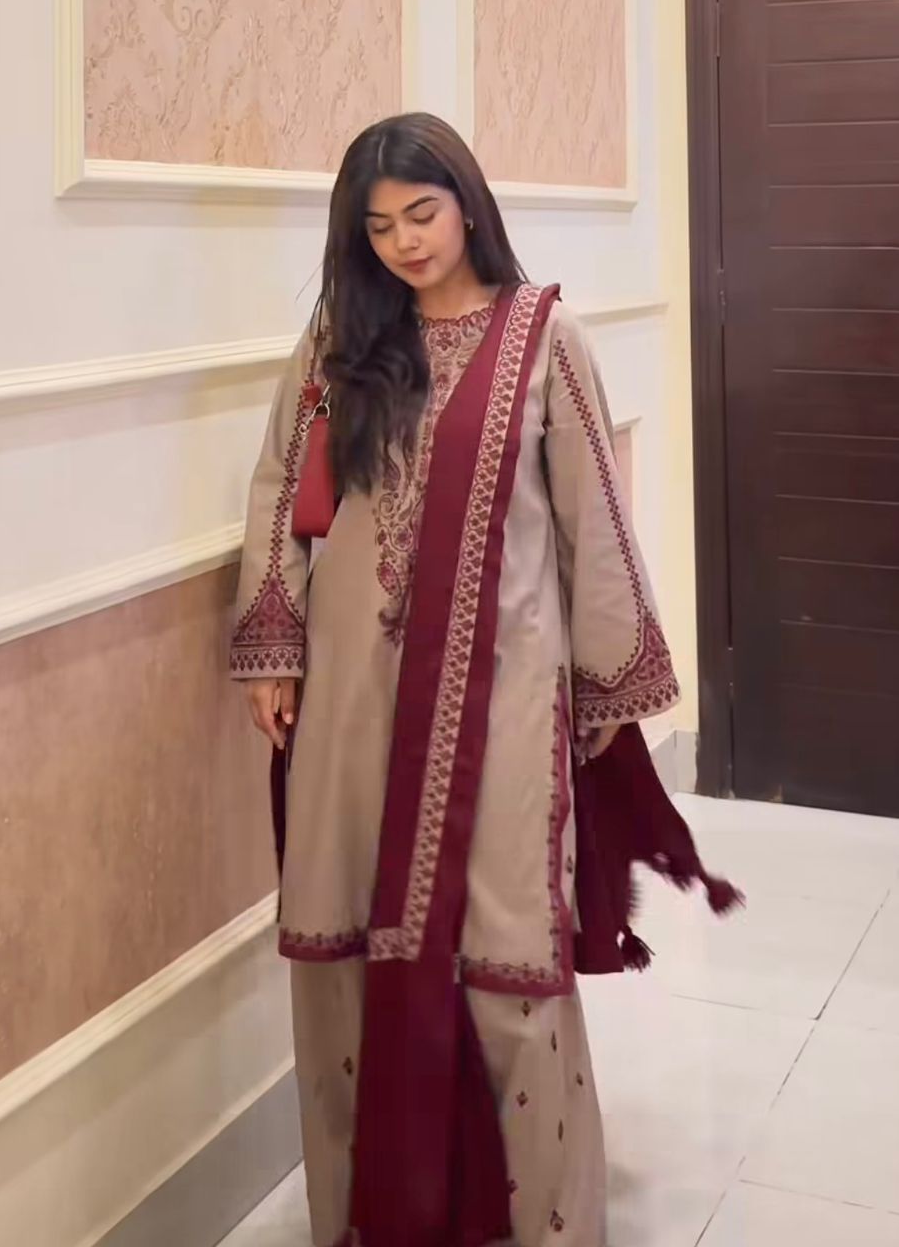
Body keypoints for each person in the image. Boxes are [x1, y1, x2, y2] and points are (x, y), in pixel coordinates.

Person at [230, 113, 709, 1247]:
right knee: (344, 946)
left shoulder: (544, 337)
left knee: (508, 960)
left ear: (467, 205)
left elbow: (592, 519)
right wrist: (275, 645)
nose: (404, 242)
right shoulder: (339, 344)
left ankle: (549, 1224)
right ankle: (365, 1220)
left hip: (502, 699)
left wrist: (603, 687)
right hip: (352, 699)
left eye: (422, 213)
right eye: (379, 225)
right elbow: (279, 491)